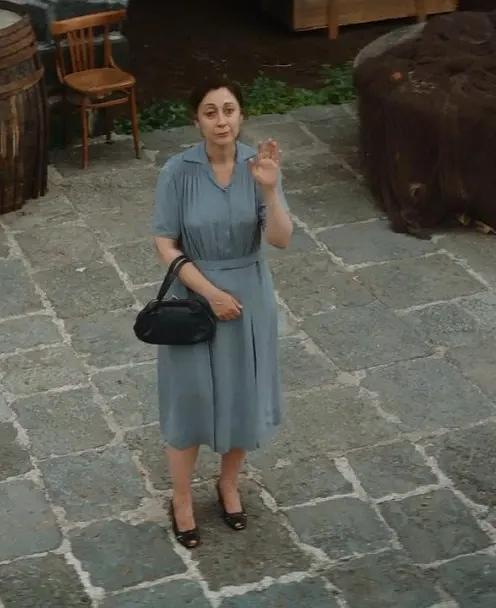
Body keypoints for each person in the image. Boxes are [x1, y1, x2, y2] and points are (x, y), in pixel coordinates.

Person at [149, 79, 293, 548]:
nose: (221, 120)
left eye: (229, 110)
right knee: (188, 398)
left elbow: (281, 239)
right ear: (197, 120)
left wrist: (269, 191)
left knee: (244, 394)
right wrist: (210, 293)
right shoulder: (177, 172)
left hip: (250, 296)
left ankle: (228, 483)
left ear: (241, 115)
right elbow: (164, 243)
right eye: (210, 112)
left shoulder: (260, 166)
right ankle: (181, 499)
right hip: (196, 295)